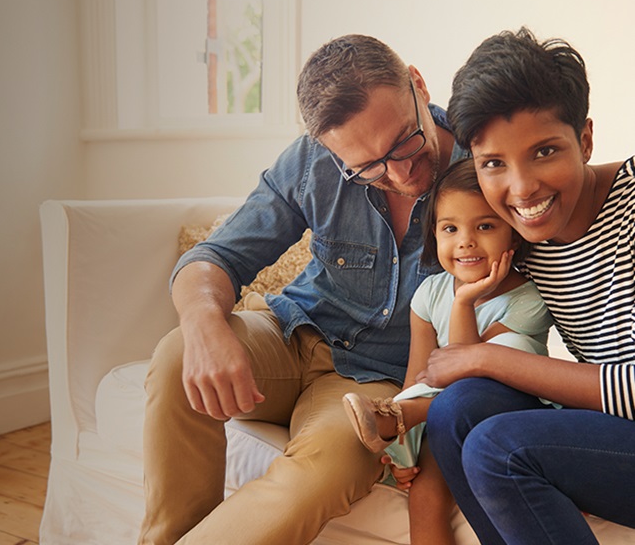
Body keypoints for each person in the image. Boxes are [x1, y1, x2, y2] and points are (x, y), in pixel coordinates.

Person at [138, 34, 467, 545]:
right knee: (177, 353)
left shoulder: (484, 165)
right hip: (289, 335)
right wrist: (203, 325)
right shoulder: (314, 162)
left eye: (405, 140)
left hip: (376, 384)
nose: (400, 173)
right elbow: (213, 257)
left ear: (419, 86)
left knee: (328, 469)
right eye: (368, 169)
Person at [419, 28, 635, 545]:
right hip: (615, 438)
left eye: (544, 152)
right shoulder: (518, 238)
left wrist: (488, 359)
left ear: (584, 139)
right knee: (457, 411)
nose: (522, 189)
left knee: (499, 447)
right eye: (494, 163)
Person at [342, 158, 553, 545]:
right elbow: (418, 377)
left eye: (485, 226)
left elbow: (469, 372)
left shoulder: (530, 299)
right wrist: (404, 454)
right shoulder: (428, 294)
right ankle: (399, 428)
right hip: (443, 423)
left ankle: (398, 420)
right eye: (450, 228)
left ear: (514, 235)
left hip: (506, 416)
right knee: (424, 495)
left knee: (511, 348)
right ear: (434, 235)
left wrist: (464, 304)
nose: (465, 241)